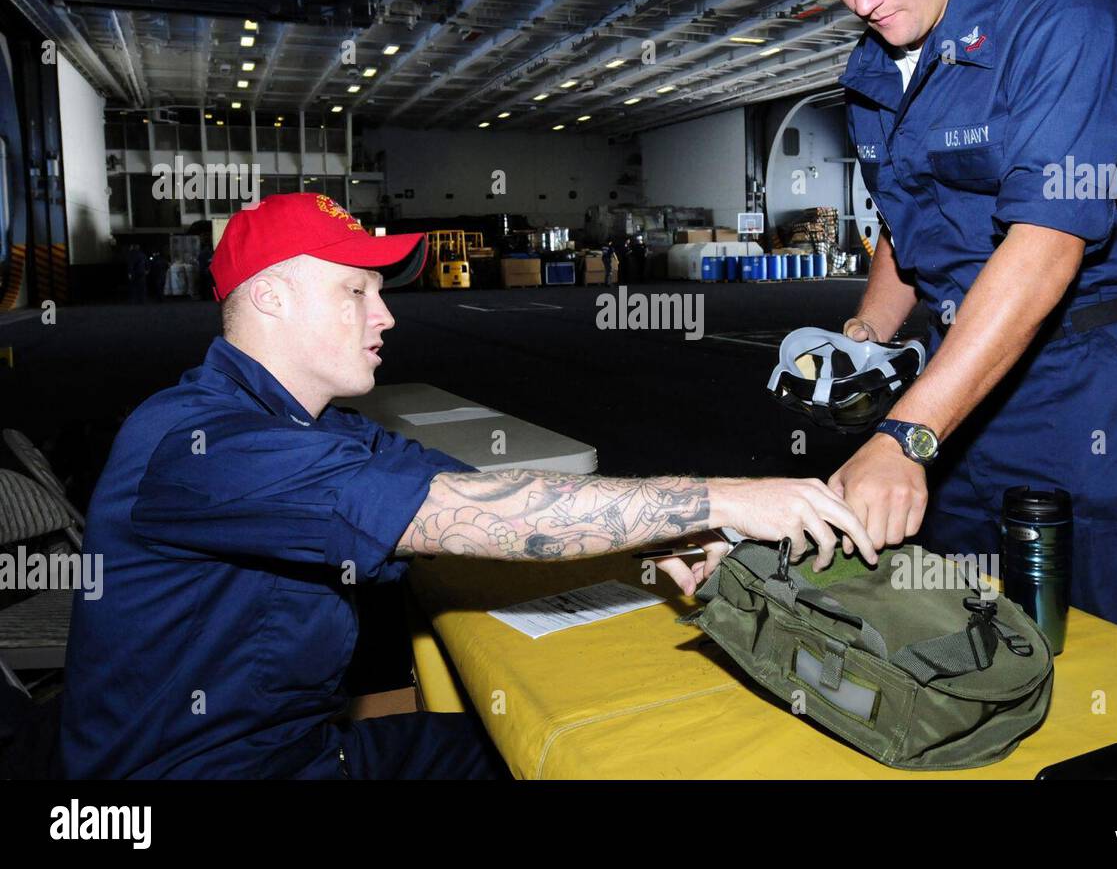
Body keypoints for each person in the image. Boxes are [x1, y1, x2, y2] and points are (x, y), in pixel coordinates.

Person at [61, 193, 871, 780]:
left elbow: (484, 497)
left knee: (526, 755)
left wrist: (660, 532)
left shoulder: (310, 429)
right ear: (270, 295)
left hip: (303, 750)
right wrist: (721, 499)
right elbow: (452, 515)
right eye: (357, 291)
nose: (386, 316)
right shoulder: (205, 446)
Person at [796, 0, 1117, 657]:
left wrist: (909, 433)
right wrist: (867, 339)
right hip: (967, 378)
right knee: (966, 629)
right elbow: (904, 217)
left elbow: (1048, 243)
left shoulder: (1066, 17)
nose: (865, 0)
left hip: (1102, 375)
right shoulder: (873, 66)